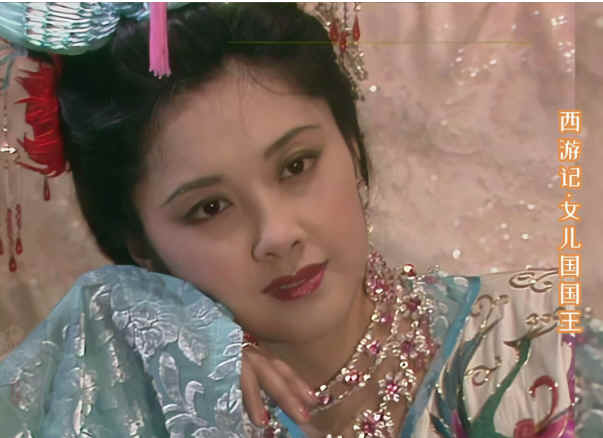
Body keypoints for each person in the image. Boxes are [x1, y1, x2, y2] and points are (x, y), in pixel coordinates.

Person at [0, 3, 578, 437]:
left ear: (350, 144)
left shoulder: (537, 341)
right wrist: (126, 319)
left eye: (297, 165)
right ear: (141, 246)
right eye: (209, 208)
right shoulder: (125, 406)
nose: (277, 235)